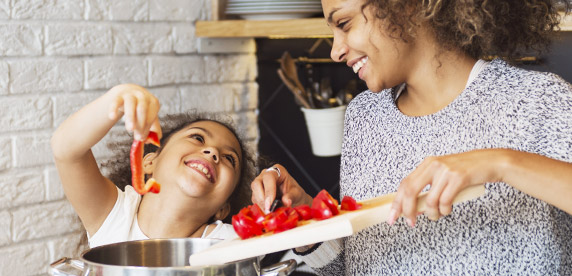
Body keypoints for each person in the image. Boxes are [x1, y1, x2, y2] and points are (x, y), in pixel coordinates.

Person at [250, 0, 572, 274]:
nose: (335, 50)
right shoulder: (365, 117)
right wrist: (310, 224)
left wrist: (501, 163)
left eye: (344, 24)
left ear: (405, 7)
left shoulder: (536, 100)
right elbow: (363, 264)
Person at [51, 84, 255, 248]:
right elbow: (66, 151)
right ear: (149, 162)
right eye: (198, 138)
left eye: (230, 159)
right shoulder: (116, 217)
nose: (213, 153)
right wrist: (119, 96)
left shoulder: (231, 243)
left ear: (223, 208)